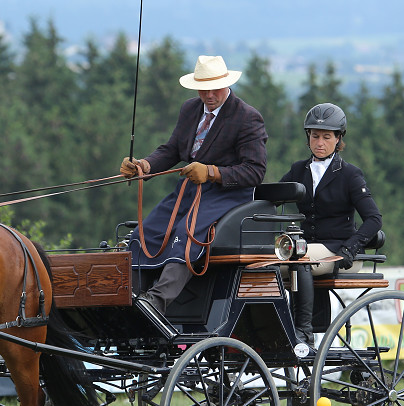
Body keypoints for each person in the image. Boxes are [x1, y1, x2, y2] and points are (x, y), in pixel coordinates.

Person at [120, 55, 267, 315]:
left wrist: (211, 172)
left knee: (186, 234)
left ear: (226, 83)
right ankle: (128, 298)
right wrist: (145, 165)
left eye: (215, 88)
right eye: (203, 88)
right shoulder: (190, 109)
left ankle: (156, 302)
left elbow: (255, 171)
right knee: (144, 234)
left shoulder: (247, 117)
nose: (209, 95)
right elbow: (172, 149)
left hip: (228, 196)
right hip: (189, 192)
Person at [280, 102, 383, 347]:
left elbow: (374, 219)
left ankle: (303, 333)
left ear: (338, 139)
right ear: (308, 137)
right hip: (306, 251)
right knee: (266, 262)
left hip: (340, 252)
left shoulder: (350, 174)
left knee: (299, 257)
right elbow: (272, 196)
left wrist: (350, 248)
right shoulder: (298, 170)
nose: (320, 143)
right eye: (315, 136)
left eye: (327, 137)